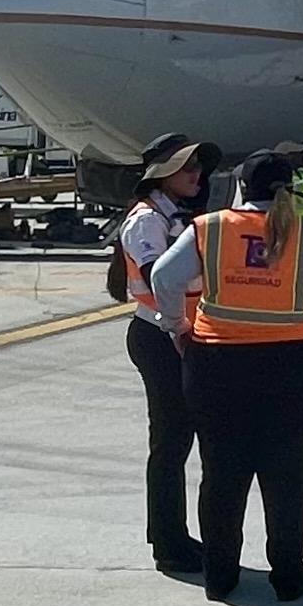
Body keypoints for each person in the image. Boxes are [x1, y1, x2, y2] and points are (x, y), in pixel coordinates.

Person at [150, 150, 303, 602]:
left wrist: (177, 327)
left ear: (241, 186)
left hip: (219, 366)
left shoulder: (209, 229)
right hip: (296, 369)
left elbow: (163, 276)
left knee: (222, 474)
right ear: (292, 190)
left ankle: (220, 575)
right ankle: (288, 575)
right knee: (288, 475)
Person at [119, 132, 221, 575]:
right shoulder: (147, 221)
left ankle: (173, 535)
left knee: (179, 441)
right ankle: (168, 541)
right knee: (171, 443)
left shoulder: (178, 215)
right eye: (187, 168)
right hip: (163, 337)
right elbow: (158, 279)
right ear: (162, 175)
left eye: (199, 167)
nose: (197, 175)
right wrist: (181, 329)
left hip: (181, 335)